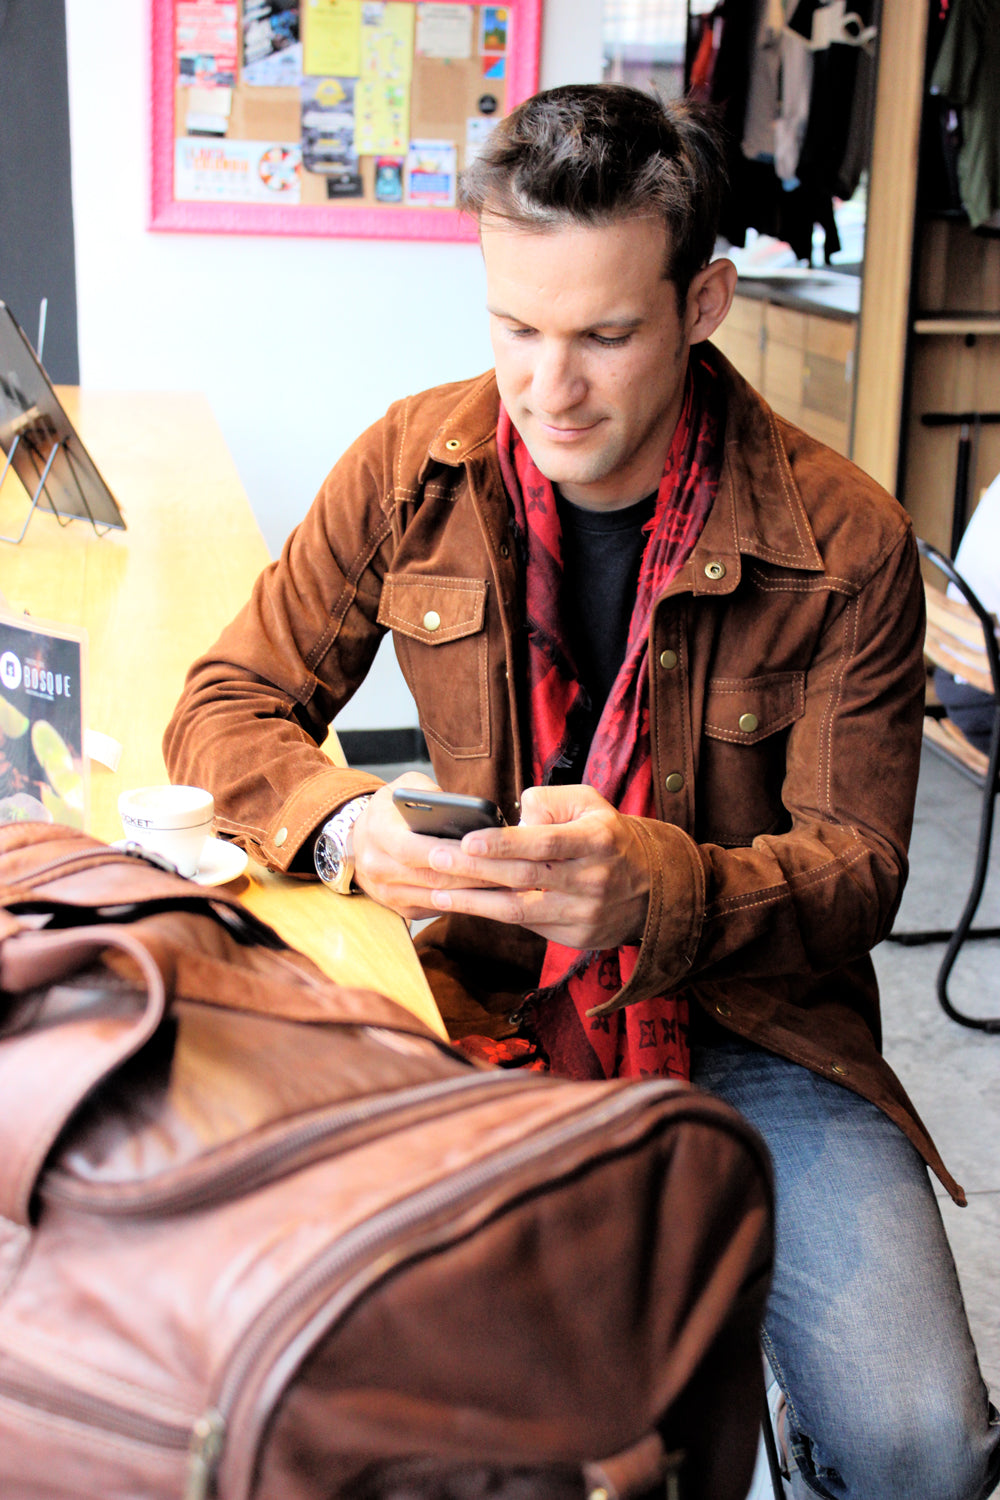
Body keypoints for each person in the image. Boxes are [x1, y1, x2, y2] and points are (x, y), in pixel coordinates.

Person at [164, 84, 1000, 1500]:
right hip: (474, 990)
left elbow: (861, 870)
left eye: (606, 336)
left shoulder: (846, 536)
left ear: (705, 302)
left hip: (756, 1017)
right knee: (405, 1403)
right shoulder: (410, 465)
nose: (549, 392)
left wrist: (651, 891)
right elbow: (224, 706)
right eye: (517, 330)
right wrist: (352, 826)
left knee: (922, 1451)